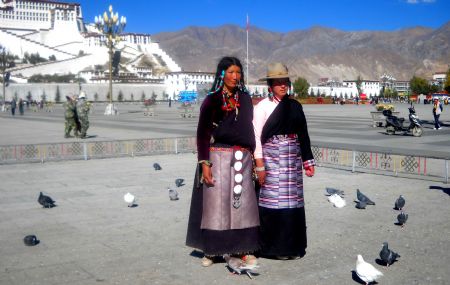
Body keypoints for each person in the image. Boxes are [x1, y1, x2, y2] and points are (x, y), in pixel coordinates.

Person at [186, 56, 260, 267]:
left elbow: (250, 129)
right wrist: (204, 164)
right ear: (222, 74)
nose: (235, 77)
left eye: (238, 73)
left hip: (243, 158)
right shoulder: (212, 99)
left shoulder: (245, 98)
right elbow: (202, 134)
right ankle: (213, 251)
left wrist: (254, 158)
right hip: (217, 157)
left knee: (243, 206)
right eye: (231, 72)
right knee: (216, 207)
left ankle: (244, 250)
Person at [253, 62, 315, 260]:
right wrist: (260, 166)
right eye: (278, 82)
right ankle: (272, 249)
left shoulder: (295, 106)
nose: (282, 85)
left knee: (292, 206)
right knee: (273, 205)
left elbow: (303, 134)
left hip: (292, 165)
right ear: (270, 85)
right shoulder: (262, 107)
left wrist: (307, 161)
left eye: (285, 81)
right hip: (270, 164)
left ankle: (292, 247)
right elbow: (255, 138)